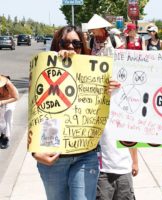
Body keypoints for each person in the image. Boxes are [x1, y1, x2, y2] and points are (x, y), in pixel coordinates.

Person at [32, 25, 98, 200]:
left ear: (82, 46)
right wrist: (34, 151)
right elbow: (35, 110)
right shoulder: (44, 68)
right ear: (56, 45)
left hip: (86, 153)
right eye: (65, 43)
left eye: (76, 43)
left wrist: (111, 88)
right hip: (52, 155)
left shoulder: (95, 73)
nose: (70, 47)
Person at [86, 14, 139, 200]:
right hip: (97, 94)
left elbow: (126, 63)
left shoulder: (115, 41)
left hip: (116, 91)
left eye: (96, 29)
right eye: (92, 30)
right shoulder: (89, 44)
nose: (95, 32)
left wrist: (134, 161)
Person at [0, 75, 19, 149]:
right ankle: (2, 133)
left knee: (8, 116)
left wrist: (2, 102)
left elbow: (16, 97)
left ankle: (6, 137)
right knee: (1, 117)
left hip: (10, 100)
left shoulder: (8, 85)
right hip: (1, 100)